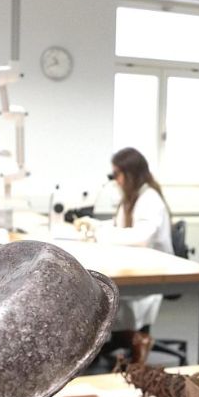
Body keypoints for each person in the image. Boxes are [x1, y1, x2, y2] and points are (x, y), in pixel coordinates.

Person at [78, 147, 173, 364]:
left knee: (101, 296)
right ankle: (129, 339)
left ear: (131, 174)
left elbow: (141, 237)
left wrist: (102, 233)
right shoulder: (131, 198)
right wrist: (95, 226)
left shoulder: (150, 199)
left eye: (118, 175)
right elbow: (118, 227)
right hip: (133, 264)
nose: (116, 180)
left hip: (152, 272)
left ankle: (135, 338)